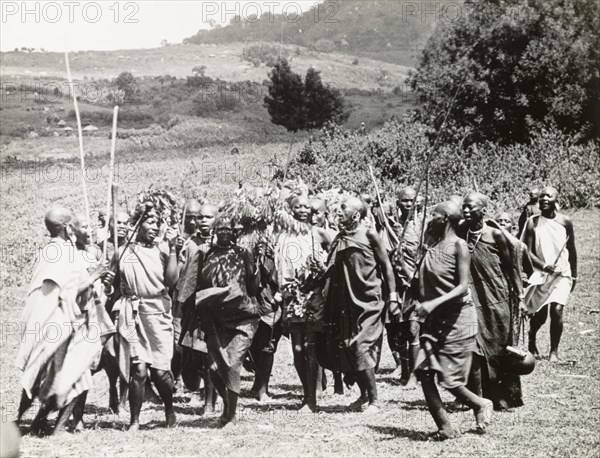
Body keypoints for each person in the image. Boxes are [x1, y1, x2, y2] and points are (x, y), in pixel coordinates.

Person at [15, 208, 112, 435]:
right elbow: (65, 293)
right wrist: (93, 277)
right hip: (59, 323)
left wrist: (99, 280)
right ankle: (33, 424)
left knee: (65, 374)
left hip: (70, 322)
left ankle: (41, 425)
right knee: (54, 374)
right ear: (68, 229)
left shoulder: (62, 251)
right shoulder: (59, 253)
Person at [414, 201, 492, 440]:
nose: (429, 218)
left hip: (458, 319)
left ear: (445, 218)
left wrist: (432, 304)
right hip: (433, 321)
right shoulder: (432, 246)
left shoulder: (459, 246)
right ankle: (445, 426)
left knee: (449, 380)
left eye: (433, 215)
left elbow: (461, 287)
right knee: (425, 372)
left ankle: (480, 404)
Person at [317, 196, 399, 413]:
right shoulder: (340, 237)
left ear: (356, 214)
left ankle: (374, 400)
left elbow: (387, 267)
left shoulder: (370, 234)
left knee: (362, 346)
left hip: (370, 301)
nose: (338, 210)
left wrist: (392, 297)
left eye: (343, 208)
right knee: (349, 348)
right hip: (346, 303)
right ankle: (363, 395)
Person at [111, 203, 179, 431]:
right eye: (150, 222)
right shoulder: (122, 253)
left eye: (157, 223)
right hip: (132, 312)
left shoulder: (162, 250)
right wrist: (107, 282)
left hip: (157, 312)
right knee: (138, 370)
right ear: (137, 224)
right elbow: (113, 287)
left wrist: (173, 249)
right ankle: (135, 421)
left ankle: (169, 409)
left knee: (160, 371)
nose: (155, 227)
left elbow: (171, 282)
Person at [460, 193, 524, 411]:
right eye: (464, 207)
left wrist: (520, 296)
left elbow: (511, 267)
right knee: (474, 346)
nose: (466, 211)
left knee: (498, 346)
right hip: (472, 298)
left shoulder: (496, 235)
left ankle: (501, 396)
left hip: (497, 297)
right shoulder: (461, 232)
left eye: (471, 207)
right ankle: (477, 396)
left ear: (484, 210)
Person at [197, 215, 261, 427]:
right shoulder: (207, 254)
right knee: (215, 368)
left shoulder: (243, 254)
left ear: (235, 232)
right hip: (216, 319)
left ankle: (231, 415)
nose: (224, 232)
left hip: (243, 317)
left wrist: (255, 265)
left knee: (232, 364)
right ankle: (228, 404)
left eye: (228, 229)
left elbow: (252, 287)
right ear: (215, 232)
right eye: (220, 228)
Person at [275, 195, 331, 412]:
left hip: (313, 297)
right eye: (297, 206)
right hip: (291, 296)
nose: (303, 210)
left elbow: (334, 257)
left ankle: (311, 399)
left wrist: (322, 272)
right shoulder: (283, 237)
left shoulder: (318, 233)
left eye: (306, 207)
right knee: (297, 350)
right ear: (291, 210)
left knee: (310, 347)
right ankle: (307, 389)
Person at [521, 187, 577, 363]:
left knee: (557, 309)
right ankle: (531, 338)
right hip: (541, 274)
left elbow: (572, 250)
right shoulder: (532, 222)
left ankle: (554, 352)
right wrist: (544, 266)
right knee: (540, 315)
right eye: (542, 196)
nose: (544, 198)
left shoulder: (565, 222)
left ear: (556, 200)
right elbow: (527, 252)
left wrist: (574, 274)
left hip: (562, 274)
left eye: (548, 195)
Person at [177, 202, 219, 413]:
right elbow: (183, 275)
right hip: (193, 305)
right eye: (200, 217)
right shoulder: (190, 243)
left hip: (216, 305)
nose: (203, 221)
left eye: (208, 217)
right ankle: (198, 390)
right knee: (193, 352)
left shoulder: (223, 242)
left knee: (210, 352)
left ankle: (210, 400)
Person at [389, 187, 421, 387]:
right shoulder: (390, 226)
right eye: (405, 201)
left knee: (413, 328)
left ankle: (414, 375)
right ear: (398, 202)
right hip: (397, 284)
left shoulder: (421, 225)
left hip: (415, 285)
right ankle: (405, 371)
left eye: (412, 201)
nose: (408, 204)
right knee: (399, 330)